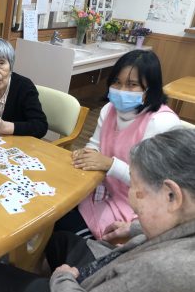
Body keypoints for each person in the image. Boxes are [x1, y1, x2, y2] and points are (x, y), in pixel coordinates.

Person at [0, 128, 195, 292]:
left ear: (172, 196)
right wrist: (136, 228)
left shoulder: (159, 272)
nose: (131, 196)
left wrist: (63, 279)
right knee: (59, 239)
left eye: (136, 188)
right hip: (115, 265)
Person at [55, 50, 180, 240]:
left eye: (132, 85)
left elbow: (154, 184)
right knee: (55, 211)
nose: (121, 90)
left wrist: (109, 164)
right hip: (102, 190)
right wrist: (88, 153)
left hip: (138, 205)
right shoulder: (109, 109)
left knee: (62, 230)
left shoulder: (161, 122)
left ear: (150, 89)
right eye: (117, 82)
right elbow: (95, 143)